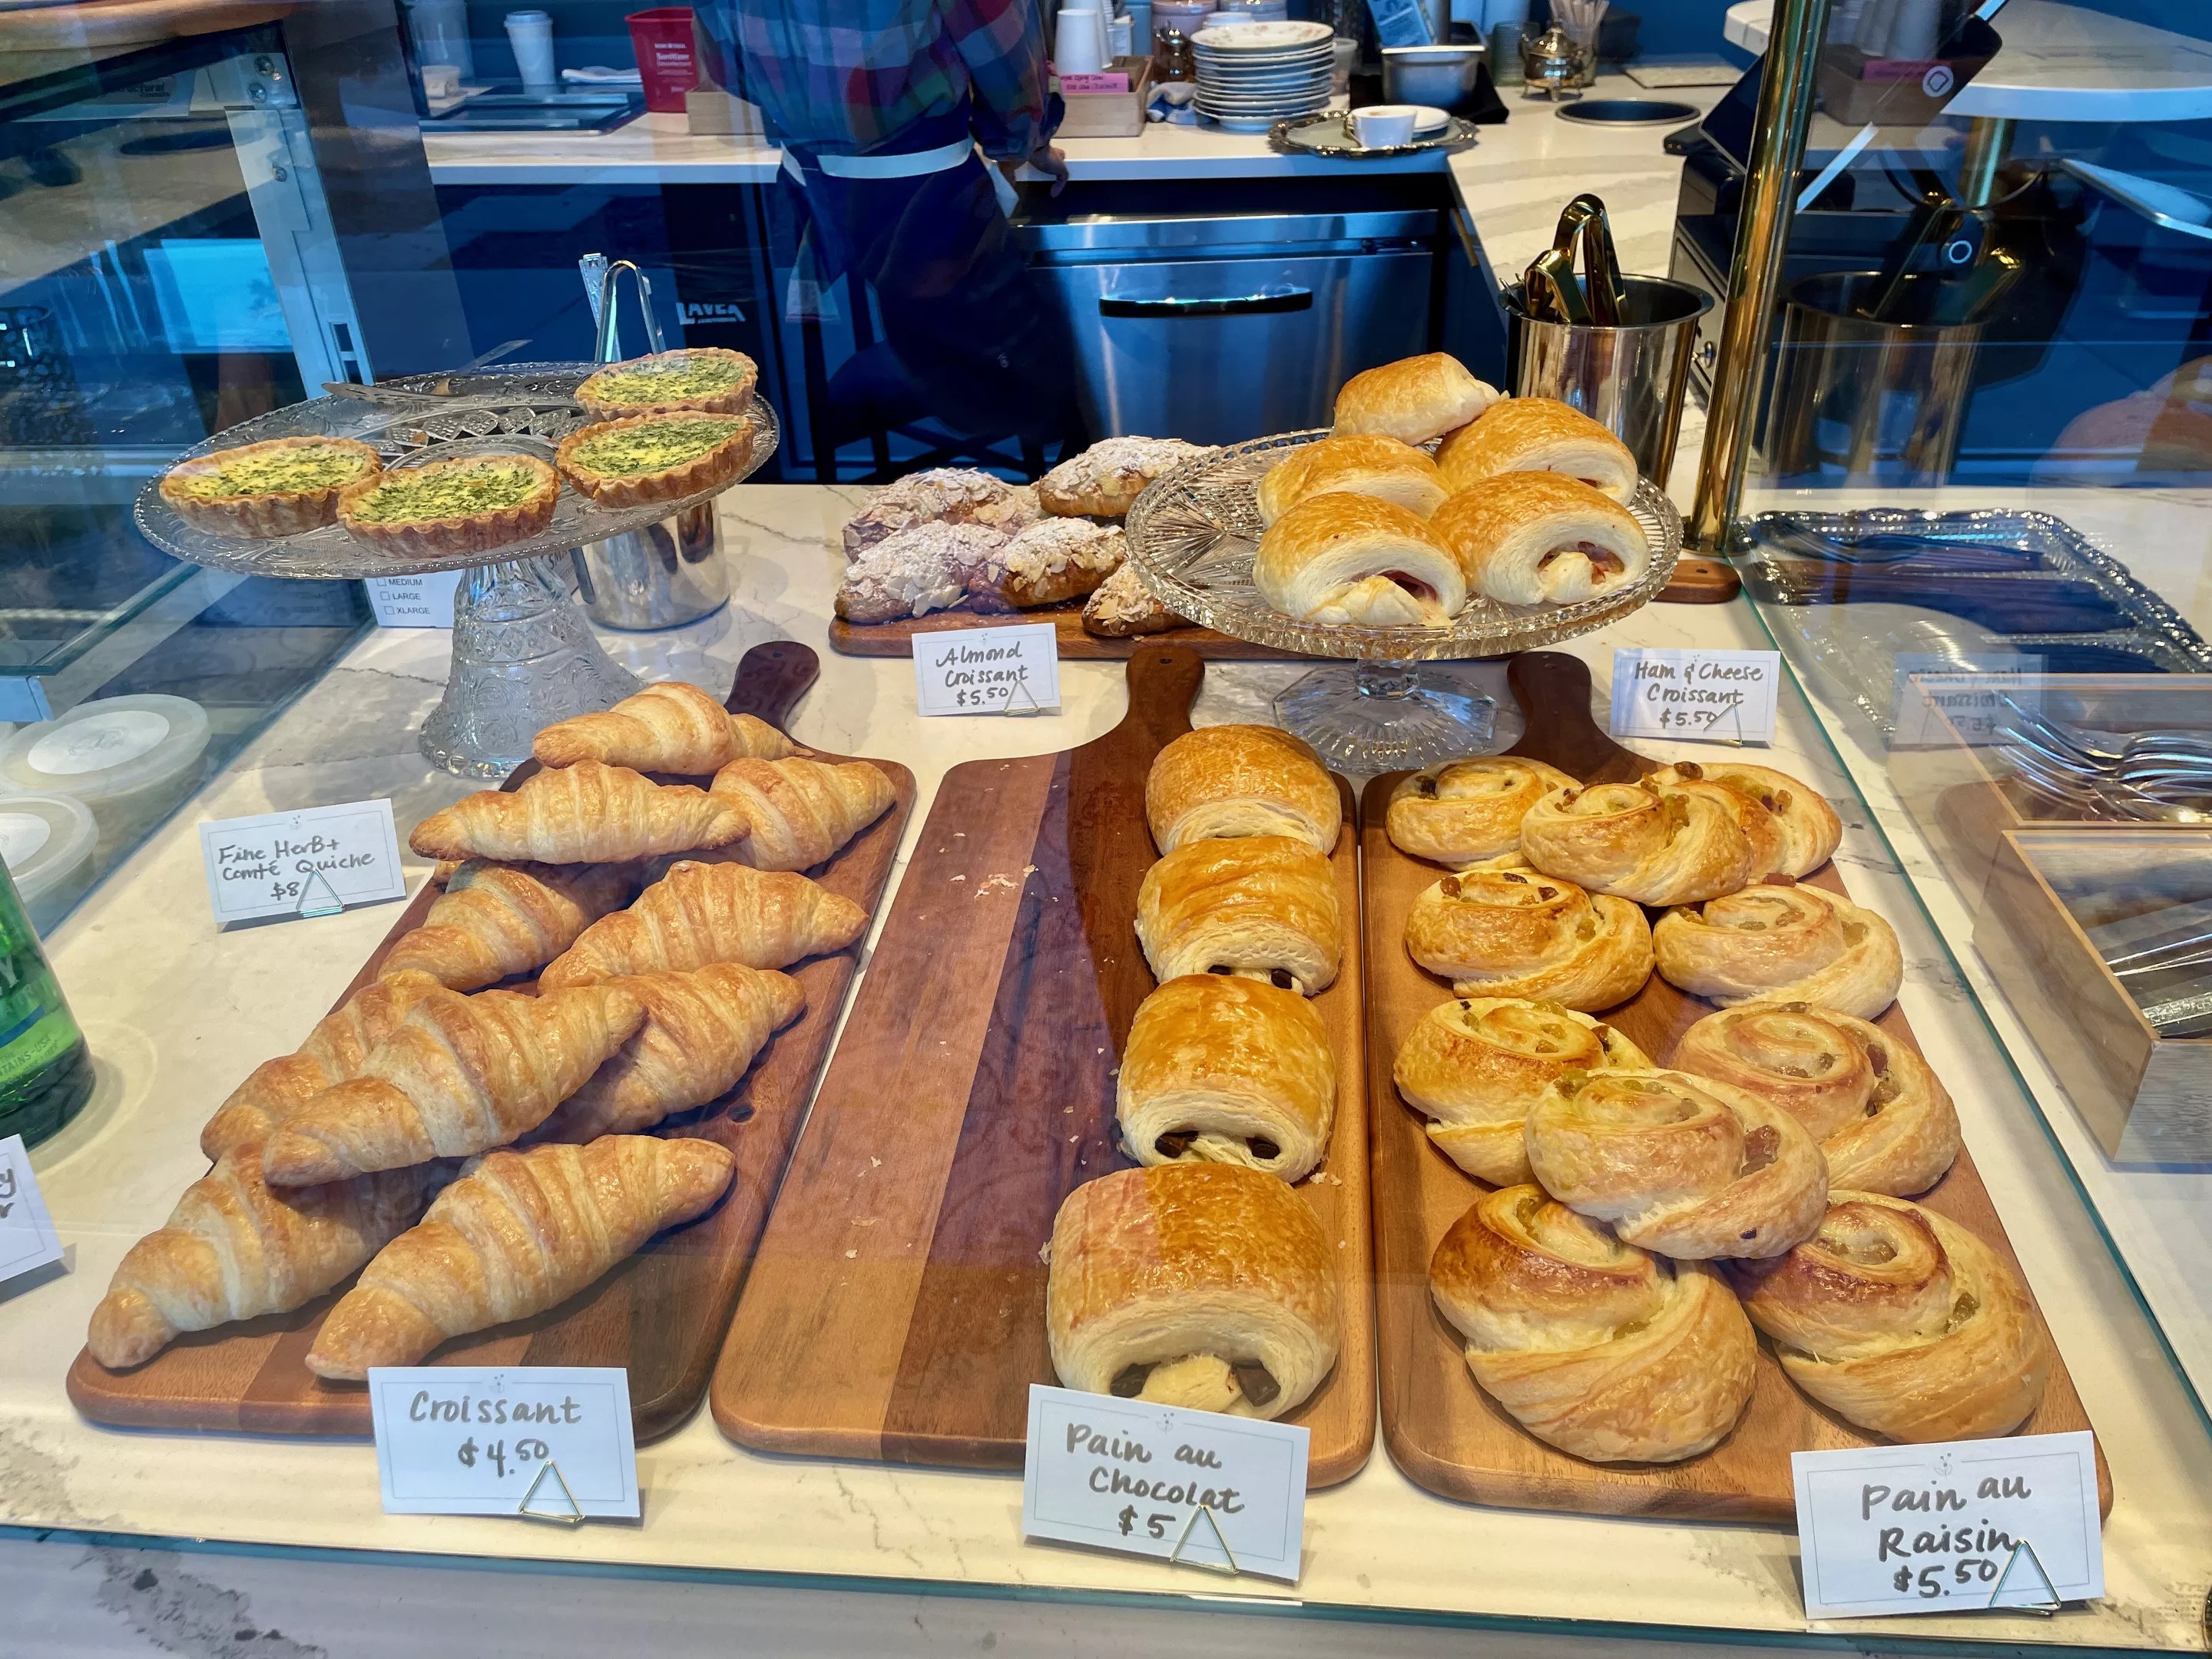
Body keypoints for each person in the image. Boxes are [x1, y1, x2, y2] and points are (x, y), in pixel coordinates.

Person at [727, 0, 1081, 451]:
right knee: (1028, 388)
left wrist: (812, 115)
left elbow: (723, 62)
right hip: (926, 199)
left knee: (842, 363)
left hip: (810, 196)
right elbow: (1005, 60)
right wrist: (1025, 140)